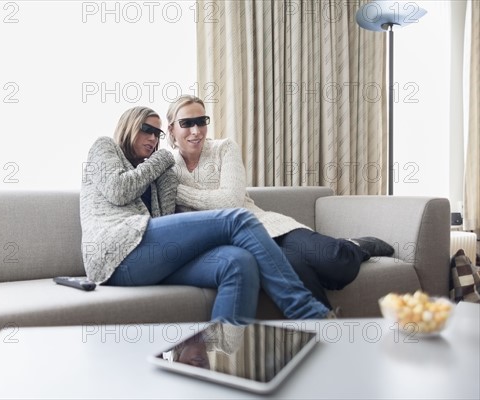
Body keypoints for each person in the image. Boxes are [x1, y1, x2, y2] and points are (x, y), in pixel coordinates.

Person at [80, 106, 332, 324]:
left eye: (157, 134)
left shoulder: (157, 171)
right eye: (146, 129)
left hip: (149, 259)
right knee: (237, 218)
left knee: (239, 262)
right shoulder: (105, 147)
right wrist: (161, 161)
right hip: (113, 253)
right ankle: (308, 312)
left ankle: (227, 359)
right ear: (129, 126)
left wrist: (165, 174)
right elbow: (119, 191)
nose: (153, 139)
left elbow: (163, 221)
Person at [166, 95, 395, 309]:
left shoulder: (224, 148)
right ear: (172, 130)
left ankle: (355, 245)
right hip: (240, 243)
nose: (196, 131)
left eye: (201, 121)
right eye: (186, 123)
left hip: (268, 225)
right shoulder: (167, 168)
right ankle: (326, 336)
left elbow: (231, 200)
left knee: (334, 261)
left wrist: (178, 192)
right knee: (297, 271)